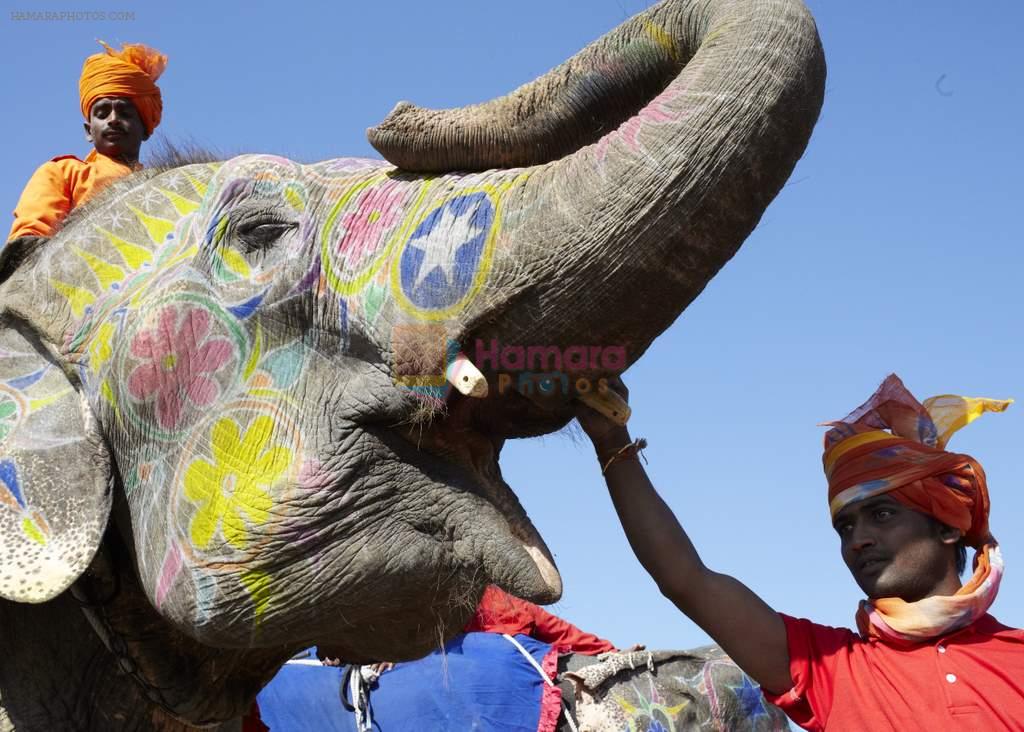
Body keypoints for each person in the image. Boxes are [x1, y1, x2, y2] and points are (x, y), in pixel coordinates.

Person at [576, 373, 1022, 730]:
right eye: (844, 526)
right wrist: (611, 441)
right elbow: (686, 580)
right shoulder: (832, 668)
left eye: (881, 515)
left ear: (946, 526)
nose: (857, 540)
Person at [7, 41, 166, 242]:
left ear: (145, 129)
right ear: (89, 131)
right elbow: (29, 242)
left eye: (125, 113)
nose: (113, 119)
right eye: (102, 113)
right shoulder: (62, 173)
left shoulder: (162, 185)